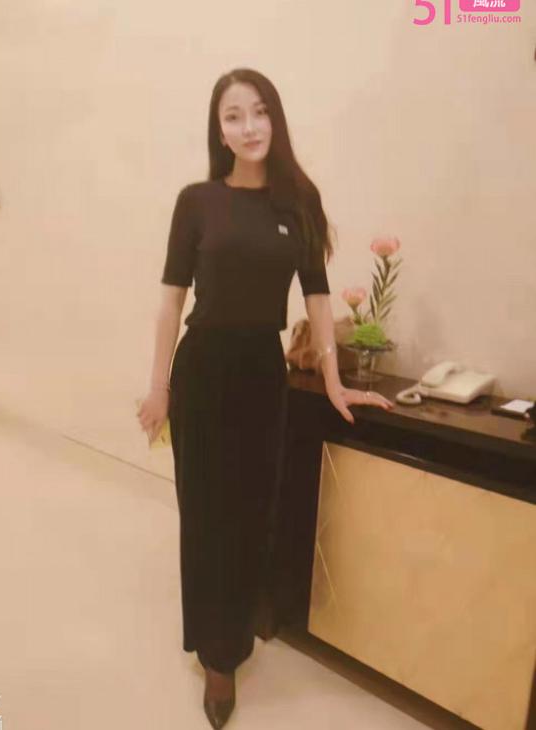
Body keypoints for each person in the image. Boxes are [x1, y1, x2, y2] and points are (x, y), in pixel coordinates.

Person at [137, 68, 394, 728]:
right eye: (233, 116)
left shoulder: (297, 201)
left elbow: (317, 299)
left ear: (274, 119)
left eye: (259, 112)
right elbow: (171, 302)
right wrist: (158, 388)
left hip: (260, 371)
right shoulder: (197, 202)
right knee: (205, 517)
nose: (248, 126)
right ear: (219, 130)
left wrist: (334, 381)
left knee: (253, 512)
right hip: (202, 371)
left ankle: (239, 622)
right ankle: (218, 660)